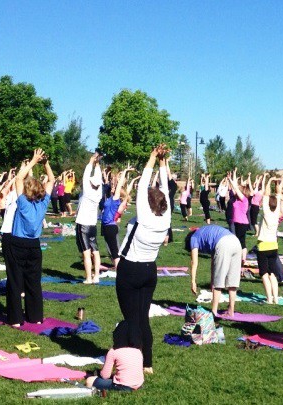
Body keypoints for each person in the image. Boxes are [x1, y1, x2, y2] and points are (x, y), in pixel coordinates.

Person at [116, 144, 172, 374]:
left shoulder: (145, 217)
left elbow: (143, 186)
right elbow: (165, 188)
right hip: (149, 271)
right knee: (142, 319)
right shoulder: (166, 218)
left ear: (147, 205)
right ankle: (147, 363)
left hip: (130, 270)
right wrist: (162, 162)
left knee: (131, 320)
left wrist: (152, 158)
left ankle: (133, 362)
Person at [7, 149, 55, 328]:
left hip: (17, 244)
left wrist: (34, 161)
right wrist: (46, 163)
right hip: (34, 246)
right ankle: (35, 317)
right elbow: (51, 180)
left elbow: (18, 178)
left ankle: (16, 319)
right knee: (33, 282)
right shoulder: (43, 203)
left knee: (15, 281)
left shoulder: (23, 202)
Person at [186, 224, 242, 314]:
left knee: (218, 283)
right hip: (236, 241)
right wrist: (212, 281)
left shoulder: (193, 238)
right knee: (232, 282)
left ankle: (213, 312)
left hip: (223, 243)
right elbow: (214, 263)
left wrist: (193, 282)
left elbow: (194, 262)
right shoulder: (205, 233)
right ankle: (231, 311)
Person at [86, 322, 145, 393]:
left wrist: (100, 374)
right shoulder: (138, 351)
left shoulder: (114, 351)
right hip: (139, 384)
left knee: (89, 380)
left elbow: (105, 376)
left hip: (124, 386)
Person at [256, 177, 283, 304]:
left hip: (263, 246)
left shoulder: (266, 212)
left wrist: (269, 181)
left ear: (268, 204)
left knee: (264, 273)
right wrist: (277, 183)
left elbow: (266, 194)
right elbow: (278, 195)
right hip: (274, 246)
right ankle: (276, 298)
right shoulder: (277, 214)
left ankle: (269, 299)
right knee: (273, 274)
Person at [75, 155, 105, 283]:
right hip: (93, 225)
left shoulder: (87, 192)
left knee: (86, 252)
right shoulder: (98, 194)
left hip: (83, 225)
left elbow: (85, 176)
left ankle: (88, 278)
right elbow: (97, 179)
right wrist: (97, 165)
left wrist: (90, 162)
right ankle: (96, 276)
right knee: (96, 251)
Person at [100, 168, 133, 270]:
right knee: (111, 249)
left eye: (114, 188)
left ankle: (119, 269)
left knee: (114, 251)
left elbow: (119, 186)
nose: (113, 188)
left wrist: (125, 172)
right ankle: (116, 266)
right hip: (105, 226)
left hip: (110, 227)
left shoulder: (115, 200)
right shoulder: (110, 199)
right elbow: (114, 184)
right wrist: (115, 178)